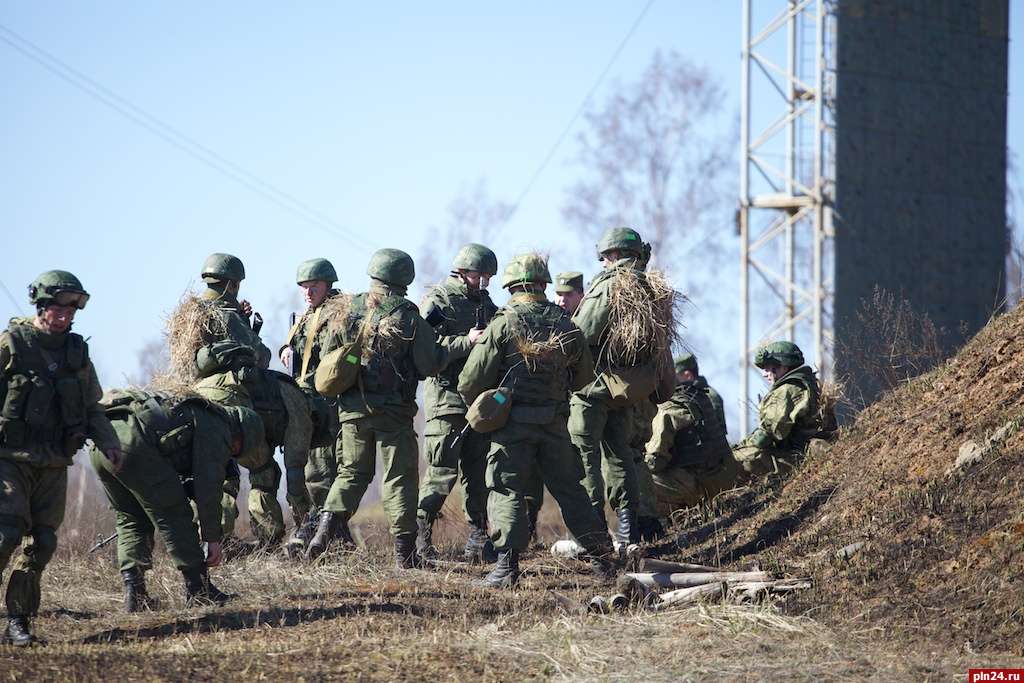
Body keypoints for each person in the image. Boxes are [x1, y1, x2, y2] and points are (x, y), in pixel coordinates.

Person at [306, 248, 480, 567]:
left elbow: (331, 354)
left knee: (351, 475)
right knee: (399, 479)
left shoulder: (349, 307)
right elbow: (430, 363)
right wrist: (462, 343)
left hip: (352, 412)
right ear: (405, 277)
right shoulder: (406, 314)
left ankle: (321, 534)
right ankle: (405, 554)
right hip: (393, 414)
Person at [458, 253, 615, 588]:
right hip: (555, 424)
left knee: (507, 488)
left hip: (512, 426)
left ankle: (505, 568)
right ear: (544, 285)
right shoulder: (565, 324)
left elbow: (469, 381)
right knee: (572, 491)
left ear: (512, 285)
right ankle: (603, 563)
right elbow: (584, 377)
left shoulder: (505, 322)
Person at [0, 271, 122, 646]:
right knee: (5, 535)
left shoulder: (75, 351)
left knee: (44, 542)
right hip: (10, 457)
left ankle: (18, 622)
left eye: (73, 308)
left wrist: (109, 442)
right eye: (60, 306)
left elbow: (91, 405)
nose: (67, 314)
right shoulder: (12, 344)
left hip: (53, 461)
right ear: (41, 305)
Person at [91, 390, 264, 610]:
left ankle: (135, 594)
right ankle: (199, 590)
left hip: (103, 443)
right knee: (175, 513)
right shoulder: (218, 426)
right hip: (134, 444)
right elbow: (208, 488)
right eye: (238, 449)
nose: (234, 453)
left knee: (131, 517)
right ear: (241, 434)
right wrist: (212, 538)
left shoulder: (197, 410)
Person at [569, 227, 672, 548]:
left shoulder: (610, 286)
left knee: (583, 455)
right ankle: (629, 530)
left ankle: (594, 532)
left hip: (592, 388)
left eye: (604, 257)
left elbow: (582, 334)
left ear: (612, 256)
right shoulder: (649, 288)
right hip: (625, 389)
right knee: (621, 456)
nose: (602, 263)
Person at [416, 244, 499, 563]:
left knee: (478, 474)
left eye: (489, 278)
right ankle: (419, 540)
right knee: (441, 472)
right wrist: (468, 341)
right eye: (482, 276)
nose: (485, 283)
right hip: (447, 402)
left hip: (478, 403)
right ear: (464, 272)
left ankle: (479, 538)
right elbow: (427, 350)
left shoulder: (487, 304)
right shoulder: (439, 301)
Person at [279, 258, 346, 555]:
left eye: (313, 286)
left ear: (328, 284)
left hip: (328, 402)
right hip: (305, 400)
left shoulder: (339, 313)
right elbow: (293, 348)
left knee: (324, 470)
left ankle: (326, 531)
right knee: (312, 470)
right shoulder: (307, 316)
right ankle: (332, 535)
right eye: (304, 287)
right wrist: (285, 351)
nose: (307, 292)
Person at [643, 354, 737, 517]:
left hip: (699, 483)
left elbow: (655, 462)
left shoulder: (669, 409)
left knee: (638, 479)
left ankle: (657, 527)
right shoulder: (702, 396)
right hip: (722, 475)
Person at [732, 341, 826, 479]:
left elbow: (767, 435)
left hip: (795, 458)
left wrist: (735, 453)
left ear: (783, 367)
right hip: (805, 453)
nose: (765, 374)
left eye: (767, 369)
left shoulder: (786, 391)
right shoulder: (807, 384)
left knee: (737, 462)